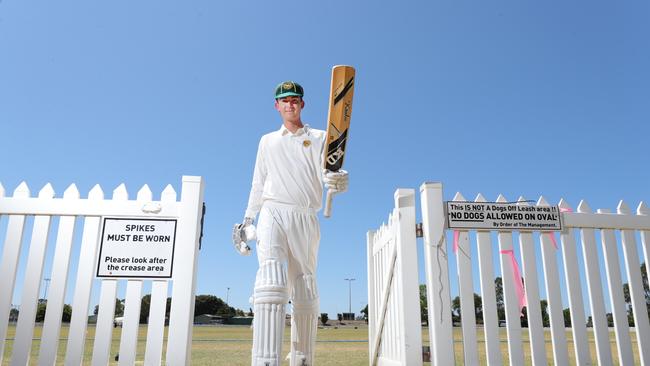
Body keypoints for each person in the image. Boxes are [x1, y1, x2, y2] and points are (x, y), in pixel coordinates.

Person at [232, 80, 349, 366]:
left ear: (302, 104)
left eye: (295, 99)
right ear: (277, 106)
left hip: (305, 214)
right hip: (272, 211)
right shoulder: (267, 140)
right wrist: (248, 218)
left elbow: (330, 174)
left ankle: (302, 358)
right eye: (284, 100)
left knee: (305, 287)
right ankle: (265, 360)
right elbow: (258, 182)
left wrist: (339, 181)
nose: (290, 104)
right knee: (271, 280)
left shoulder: (322, 137)